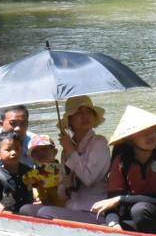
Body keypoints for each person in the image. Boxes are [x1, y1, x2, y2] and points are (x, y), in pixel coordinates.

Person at [91, 106, 156, 236]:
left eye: (152, 129)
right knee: (103, 230)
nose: (151, 135)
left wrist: (121, 199)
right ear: (130, 138)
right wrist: (113, 224)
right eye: (143, 132)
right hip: (141, 219)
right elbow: (111, 204)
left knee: (139, 210)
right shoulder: (121, 161)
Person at [20, 95, 110, 224]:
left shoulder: (99, 142)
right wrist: (65, 185)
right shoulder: (67, 149)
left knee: (44, 212)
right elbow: (62, 194)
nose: (85, 116)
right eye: (79, 112)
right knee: (26, 210)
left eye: (89, 111)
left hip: (93, 211)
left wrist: (71, 150)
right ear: (70, 120)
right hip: (72, 207)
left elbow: (89, 179)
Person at [0, 131, 37, 213]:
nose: (14, 153)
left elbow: (38, 186)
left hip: (28, 213)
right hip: (6, 214)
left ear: (22, 151)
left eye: (17, 149)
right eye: (8, 150)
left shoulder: (28, 171)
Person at [23, 134, 62, 205]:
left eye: (44, 149)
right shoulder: (36, 175)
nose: (40, 153)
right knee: (25, 208)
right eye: (35, 151)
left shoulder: (62, 169)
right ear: (32, 158)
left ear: (55, 151)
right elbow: (43, 198)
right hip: (49, 204)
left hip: (66, 203)